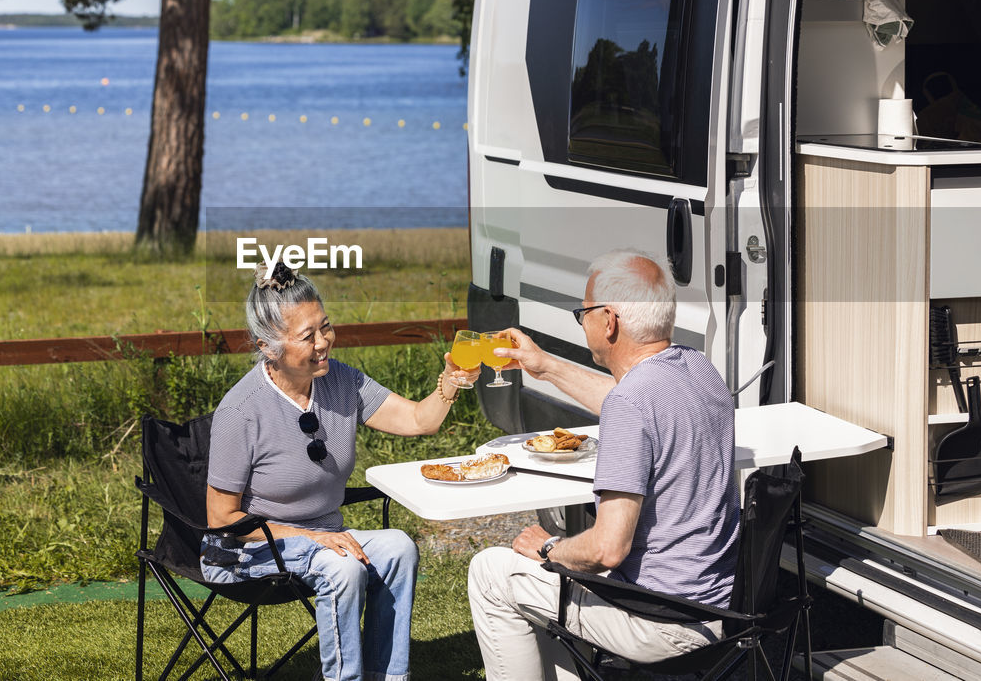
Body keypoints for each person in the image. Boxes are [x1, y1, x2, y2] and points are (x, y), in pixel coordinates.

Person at [468, 249, 739, 681]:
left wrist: (550, 548)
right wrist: (546, 366)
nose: (583, 322)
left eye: (583, 313)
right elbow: (629, 402)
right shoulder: (697, 369)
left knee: (492, 571)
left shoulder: (632, 403)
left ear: (609, 321)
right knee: (552, 570)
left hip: (658, 623)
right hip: (718, 610)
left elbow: (608, 549)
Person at [202, 261, 476, 681]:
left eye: (325, 327)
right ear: (267, 346)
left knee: (399, 547)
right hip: (248, 549)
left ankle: (388, 676)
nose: (323, 342)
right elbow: (222, 519)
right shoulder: (241, 411)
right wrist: (312, 537)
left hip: (324, 537)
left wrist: (452, 380)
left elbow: (420, 420)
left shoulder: (341, 382)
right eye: (307, 336)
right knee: (341, 565)